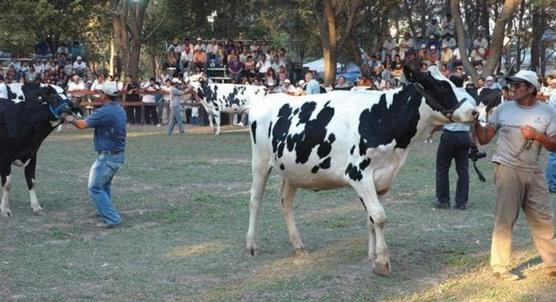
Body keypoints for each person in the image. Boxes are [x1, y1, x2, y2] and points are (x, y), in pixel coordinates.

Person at [474, 70, 556, 280]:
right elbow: (484, 139)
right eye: (512, 85)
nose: (513, 88)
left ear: (531, 88)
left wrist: (537, 135)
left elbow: (554, 146)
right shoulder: (503, 109)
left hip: (533, 170)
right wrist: (474, 122)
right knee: (505, 218)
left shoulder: (547, 112)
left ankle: (552, 264)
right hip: (507, 168)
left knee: (543, 217)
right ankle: (500, 267)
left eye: (518, 85)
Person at [64, 81, 127, 228]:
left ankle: (112, 219)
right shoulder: (119, 109)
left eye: (101, 93)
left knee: (94, 187)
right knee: (104, 185)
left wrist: (70, 118)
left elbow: (82, 125)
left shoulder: (104, 112)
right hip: (118, 155)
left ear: (105, 95)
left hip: (108, 156)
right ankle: (103, 211)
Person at [433, 74, 472, 210]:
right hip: (465, 135)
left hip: (449, 135)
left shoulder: (449, 97)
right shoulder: (470, 99)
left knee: (442, 169)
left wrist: (431, 131)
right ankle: (461, 202)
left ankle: (443, 200)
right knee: (463, 170)